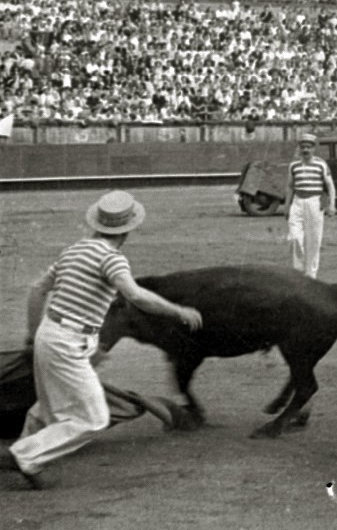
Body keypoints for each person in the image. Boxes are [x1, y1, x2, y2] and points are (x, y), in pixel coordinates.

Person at [1, 191, 203, 489]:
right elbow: (135, 295)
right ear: (129, 229)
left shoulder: (74, 250)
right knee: (94, 418)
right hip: (70, 341)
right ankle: (23, 456)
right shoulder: (112, 258)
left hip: (50, 333)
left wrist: (33, 337)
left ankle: (26, 456)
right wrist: (177, 310)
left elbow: (36, 289)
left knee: (47, 407)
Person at [283, 132, 336, 279]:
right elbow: (290, 186)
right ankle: (298, 272)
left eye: (308, 147)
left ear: (314, 149)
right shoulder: (293, 165)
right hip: (297, 202)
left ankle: (311, 275)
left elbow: (330, 186)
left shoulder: (321, 164)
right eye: (303, 147)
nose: (305, 150)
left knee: (314, 240)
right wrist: (287, 206)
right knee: (294, 238)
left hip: (314, 202)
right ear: (299, 148)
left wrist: (332, 205)